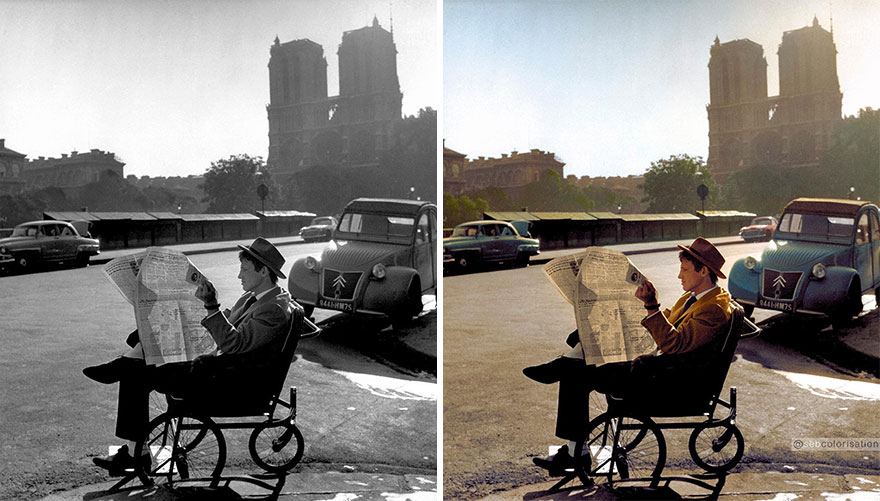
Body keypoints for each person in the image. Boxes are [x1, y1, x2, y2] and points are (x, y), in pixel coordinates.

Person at [83, 237, 300, 475]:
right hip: (218, 370)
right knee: (148, 343)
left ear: (263, 271)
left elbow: (234, 343)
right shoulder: (256, 297)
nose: (239, 276)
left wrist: (211, 306)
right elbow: (228, 324)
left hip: (225, 383)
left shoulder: (273, 310)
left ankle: (136, 451)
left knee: (135, 375)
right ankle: (136, 448)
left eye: (245, 269)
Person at [522, 237, 734, 475]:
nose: (679, 276)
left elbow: (674, 343)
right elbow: (667, 324)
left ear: (703, 271)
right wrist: (629, 311)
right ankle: (574, 446)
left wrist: (651, 307)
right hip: (658, 371)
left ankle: (574, 450)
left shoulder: (713, 309)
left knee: (575, 375)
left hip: (665, 383)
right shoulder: (695, 298)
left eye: (684, 269)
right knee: (591, 339)